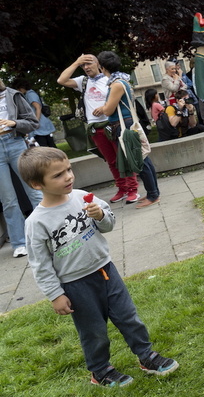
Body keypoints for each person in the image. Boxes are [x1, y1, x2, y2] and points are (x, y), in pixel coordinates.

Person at [18, 147, 178, 387]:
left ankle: (147, 356)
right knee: (93, 331)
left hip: (106, 271)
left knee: (128, 317)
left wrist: (101, 215)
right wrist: (55, 295)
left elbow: (108, 225)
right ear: (36, 184)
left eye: (69, 169)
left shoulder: (83, 197)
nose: (68, 177)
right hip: (75, 284)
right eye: (58, 175)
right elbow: (39, 264)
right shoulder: (36, 222)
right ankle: (100, 371)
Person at [57, 54, 139, 204]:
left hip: (112, 124)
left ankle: (133, 190)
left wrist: (104, 108)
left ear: (99, 64)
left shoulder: (110, 80)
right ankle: (122, 189)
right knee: (111, 160)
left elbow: (117, 100)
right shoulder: (83, 81)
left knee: (124, 158)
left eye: (89, 63)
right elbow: (61, 80)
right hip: (94, 127)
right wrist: (76, 62)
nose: (86, 67)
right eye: (83, 65)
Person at [95, 51, 160, 209]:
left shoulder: (116, 84)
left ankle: (153, 195)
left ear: (102, 67)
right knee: (144, 159)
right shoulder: (123, 80)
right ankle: (154, 192)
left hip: (123, 126)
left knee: (139, 160)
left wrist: (101, 108)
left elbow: (110, 110)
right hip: (128, 123)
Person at [0, 78, 42, 257]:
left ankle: (47, 233)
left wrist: (14, 123)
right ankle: (18, 243)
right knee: (8, 200)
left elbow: (33, 122)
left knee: (34, 190)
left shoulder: (13, 95)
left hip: (15, 142)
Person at [10, 78, 56, 147]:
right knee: (49, 145)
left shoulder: (30, 94)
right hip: (40, 124)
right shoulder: (29, 94)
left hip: (40, 124)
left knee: (44, 146)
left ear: (21, 87)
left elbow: (38, 107)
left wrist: (35, 122)